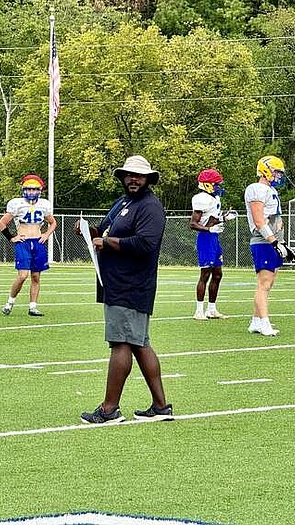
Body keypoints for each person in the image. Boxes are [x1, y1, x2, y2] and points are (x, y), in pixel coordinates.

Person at [78, 155, 172, 424]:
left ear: (148, 179)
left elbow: (146, 243)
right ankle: (160, 406)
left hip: (131, 284)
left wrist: (107, 243)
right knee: (140, 344)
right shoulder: (123, 203)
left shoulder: (150, 206)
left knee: (121, 343)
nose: (133, 179)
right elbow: (104, 230)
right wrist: (88, 231)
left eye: (139, 176)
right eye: (129, 175)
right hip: (117, 281)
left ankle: (109, 410)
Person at [245, 155, 295, 337]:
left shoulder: (268, 190)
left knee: (268, 282)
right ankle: (264, 322)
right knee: (263, 284)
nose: (278, 176)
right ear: (265, 170)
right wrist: (274, 242)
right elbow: (259, 220)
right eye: (276, 172)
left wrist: (280, 242)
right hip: (264, 241)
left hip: (272, 240)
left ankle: (256, 321)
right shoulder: (257, 188)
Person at [0, 174, 57, 317]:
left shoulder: (43, 204)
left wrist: (46, 234)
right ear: (24, 190)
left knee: (36, 276)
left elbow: (53, 223)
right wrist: (11, 237)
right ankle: (10, 302)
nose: (31, 192)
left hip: (38, 242)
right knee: (23, 276)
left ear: (39, 190)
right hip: (23, 242)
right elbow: (1, 224)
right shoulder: (17, 204)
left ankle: (33, 307)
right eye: (28, 189)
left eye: (34, 189)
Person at [190, 168, 237, 320]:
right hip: (205, 238)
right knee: (205, 274)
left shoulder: (214, 199)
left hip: (214, 238)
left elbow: (212, 219)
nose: (218, 187)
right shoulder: (201, 198)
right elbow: (193, 224)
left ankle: (211, 309)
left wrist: (224, 218)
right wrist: (209, 229)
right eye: (216, 184)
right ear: (206, 185)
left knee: (217, 274)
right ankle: (199, 310)